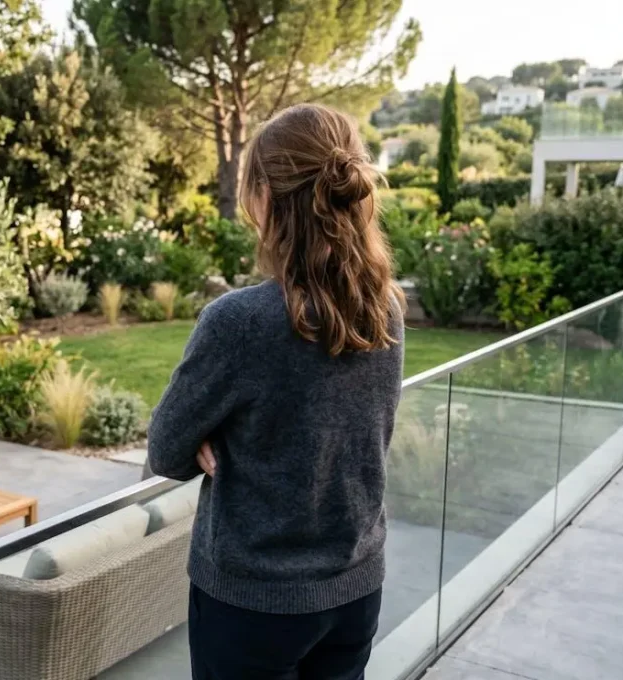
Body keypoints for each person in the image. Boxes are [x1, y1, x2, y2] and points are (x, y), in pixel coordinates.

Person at [146, 103, 405, 680]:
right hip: (356, 589)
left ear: (265, 197)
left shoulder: (239, 322)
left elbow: (165, 449)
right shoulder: (384, 309)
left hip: (253, 606)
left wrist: (212, 436)